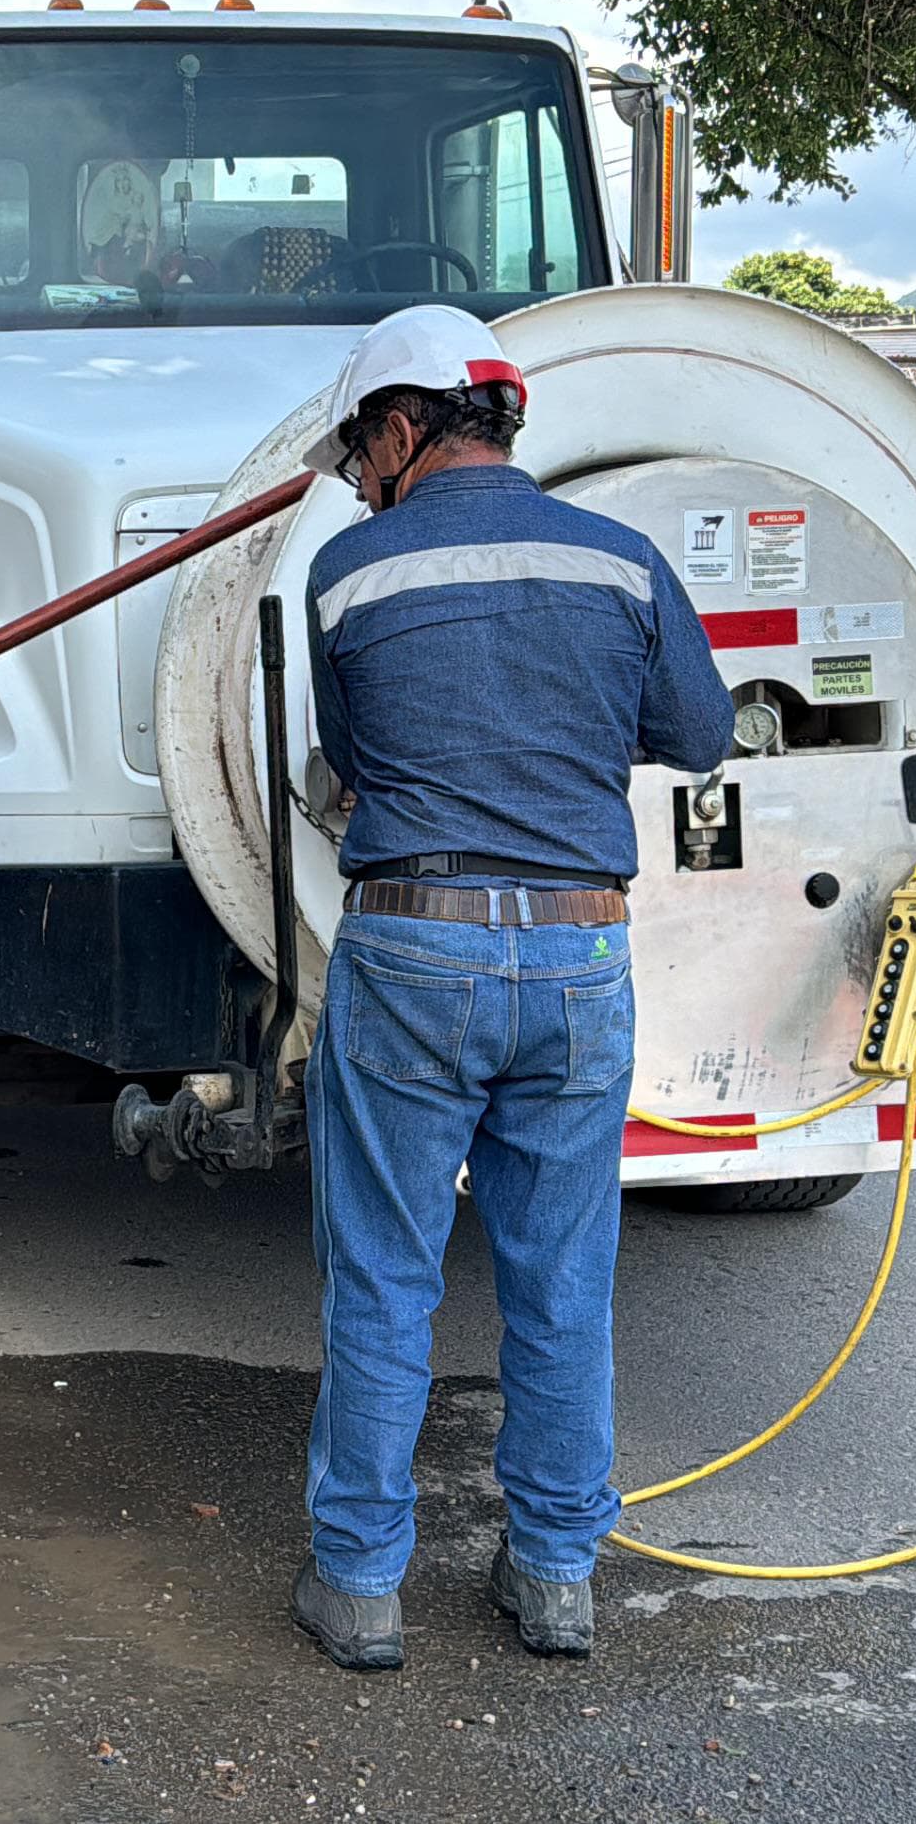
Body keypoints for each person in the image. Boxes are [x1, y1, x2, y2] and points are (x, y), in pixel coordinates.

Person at [286, 305, 735, 1670]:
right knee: (563, 1283)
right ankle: (552, 1578)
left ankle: (361, 1586)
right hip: (579, 950)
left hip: (412, 946)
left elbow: (348, 755)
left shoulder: (347, 576)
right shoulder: (626, 562)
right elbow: (701, 736)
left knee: (382, 1278)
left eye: (367, 446)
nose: (363, 476)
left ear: (407, 427)